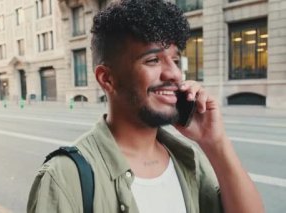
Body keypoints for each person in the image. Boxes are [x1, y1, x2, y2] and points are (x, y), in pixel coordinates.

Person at [27, 0, 264, 212]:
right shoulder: (64, 177)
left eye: (175, 60)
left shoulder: (188, 159)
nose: (174, 73)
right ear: (107, 79)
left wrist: (215, 143)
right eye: (153, 60)